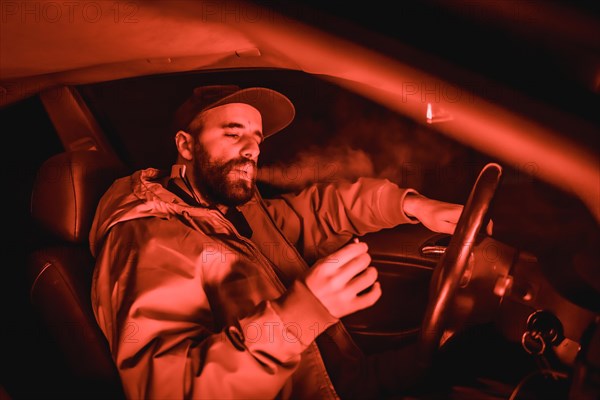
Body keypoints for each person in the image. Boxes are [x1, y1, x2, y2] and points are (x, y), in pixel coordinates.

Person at [90, 85, 467, 399]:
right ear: (186, 146)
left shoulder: (238, 212)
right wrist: (302, 314)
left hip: (339, 383)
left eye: (257, 138)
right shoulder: (147, 237)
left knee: (468, 355)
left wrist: (411, 205)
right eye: (234, 133)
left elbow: (322, 211)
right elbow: (174, 391)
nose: (252, 149)